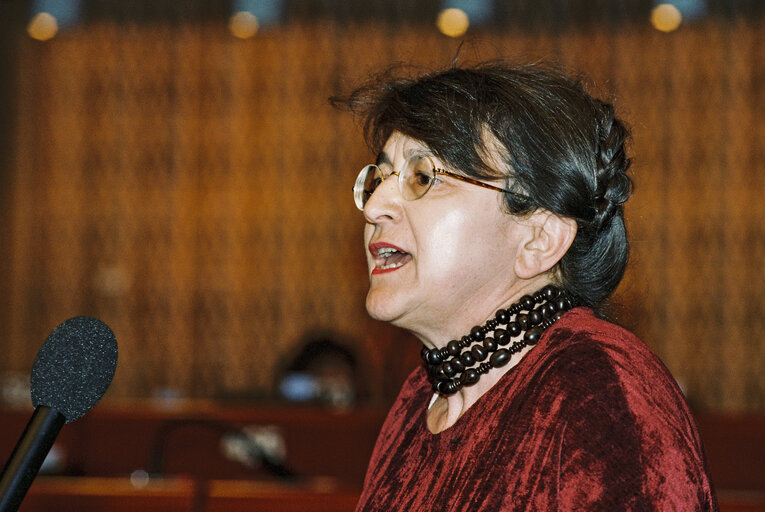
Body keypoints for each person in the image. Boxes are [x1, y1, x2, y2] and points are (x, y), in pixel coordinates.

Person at [334, 62, 718, 511]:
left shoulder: (599, 392)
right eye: (380, 178)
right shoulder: (420, 396)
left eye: (424, 177)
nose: (375, 206)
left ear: (539, 240)